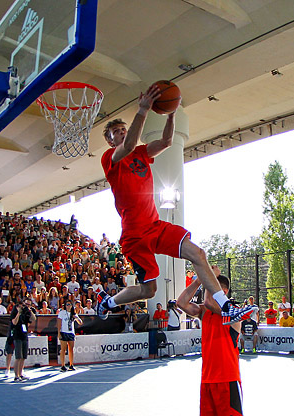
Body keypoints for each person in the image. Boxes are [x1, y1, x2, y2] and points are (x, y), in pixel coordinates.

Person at [97, 87, 255, 326]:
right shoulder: (110, 159)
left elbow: (167, 142)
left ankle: (226, 306)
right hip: (134, 236)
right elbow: (127, 147)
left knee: (197, 253)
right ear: (110, 140)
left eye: (123, 130)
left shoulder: (140, 152)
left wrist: (171, 115)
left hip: (155, 226)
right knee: (149, 290)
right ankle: (107, 302)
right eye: (116, 132)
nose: (121, 133)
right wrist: (142, 110)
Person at [176, 268, 245, 416]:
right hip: (208, 378)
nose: (206, 292)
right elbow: (181, 302)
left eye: (211, 287)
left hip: (228, 378)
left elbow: (210, 299)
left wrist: (208, 275)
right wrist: (199, 279)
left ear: (222, 291)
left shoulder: (233, 312)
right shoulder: (205, 313)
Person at [11, 299, 36, 381]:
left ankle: (21, 374)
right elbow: (14, 322)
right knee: (18, 356)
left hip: (24, 335)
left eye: (29, 304)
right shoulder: (15, 310)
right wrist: (19, 313)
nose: (27, 306)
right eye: (26, 304)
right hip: (17, 335)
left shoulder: (27, 312)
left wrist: (30, 310)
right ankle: (16, 375)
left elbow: (33, 318)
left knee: (23, 357)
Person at [57, 301, 82, 372]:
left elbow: (80, 322)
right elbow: (59, 322)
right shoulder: (62, 313)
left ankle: (71, 364)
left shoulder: (73, 313)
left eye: (70, 305)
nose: (68, 306)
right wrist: (59, 333)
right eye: (67, 304)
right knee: (63, 349)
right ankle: (63, 365)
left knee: (71, 349)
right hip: (63, 332)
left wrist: (76, 318)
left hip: (71, 332)